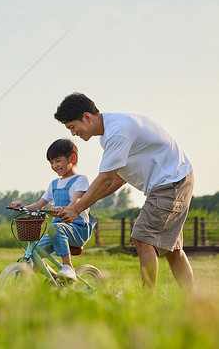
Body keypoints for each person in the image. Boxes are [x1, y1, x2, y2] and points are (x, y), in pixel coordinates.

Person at [53, 92, 195, 293]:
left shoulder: (117, 132)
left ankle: (147, 301)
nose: (73, 133)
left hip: (171, 182)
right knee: (173, 250)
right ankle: (192, 300)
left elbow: (106, 178)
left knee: (142, 238)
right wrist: (83, 204)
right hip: (176, 180)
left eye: (72, 127)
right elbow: (118, 178)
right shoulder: (109, 134)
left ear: (87, 116)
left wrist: (76, 209)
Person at [10, 138, 95, 281]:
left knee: (56, 229)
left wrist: (67, 208)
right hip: (56, 229)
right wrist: (21, 208)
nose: (54, 165)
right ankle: (56, 280)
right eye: (51, 162)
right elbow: (38, 205)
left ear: (72, 158)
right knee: (34, 254)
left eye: (57, 161)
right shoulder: (54, 184)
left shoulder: (80, 179)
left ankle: (68, 267)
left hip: (78, 229)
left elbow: (77, 201)